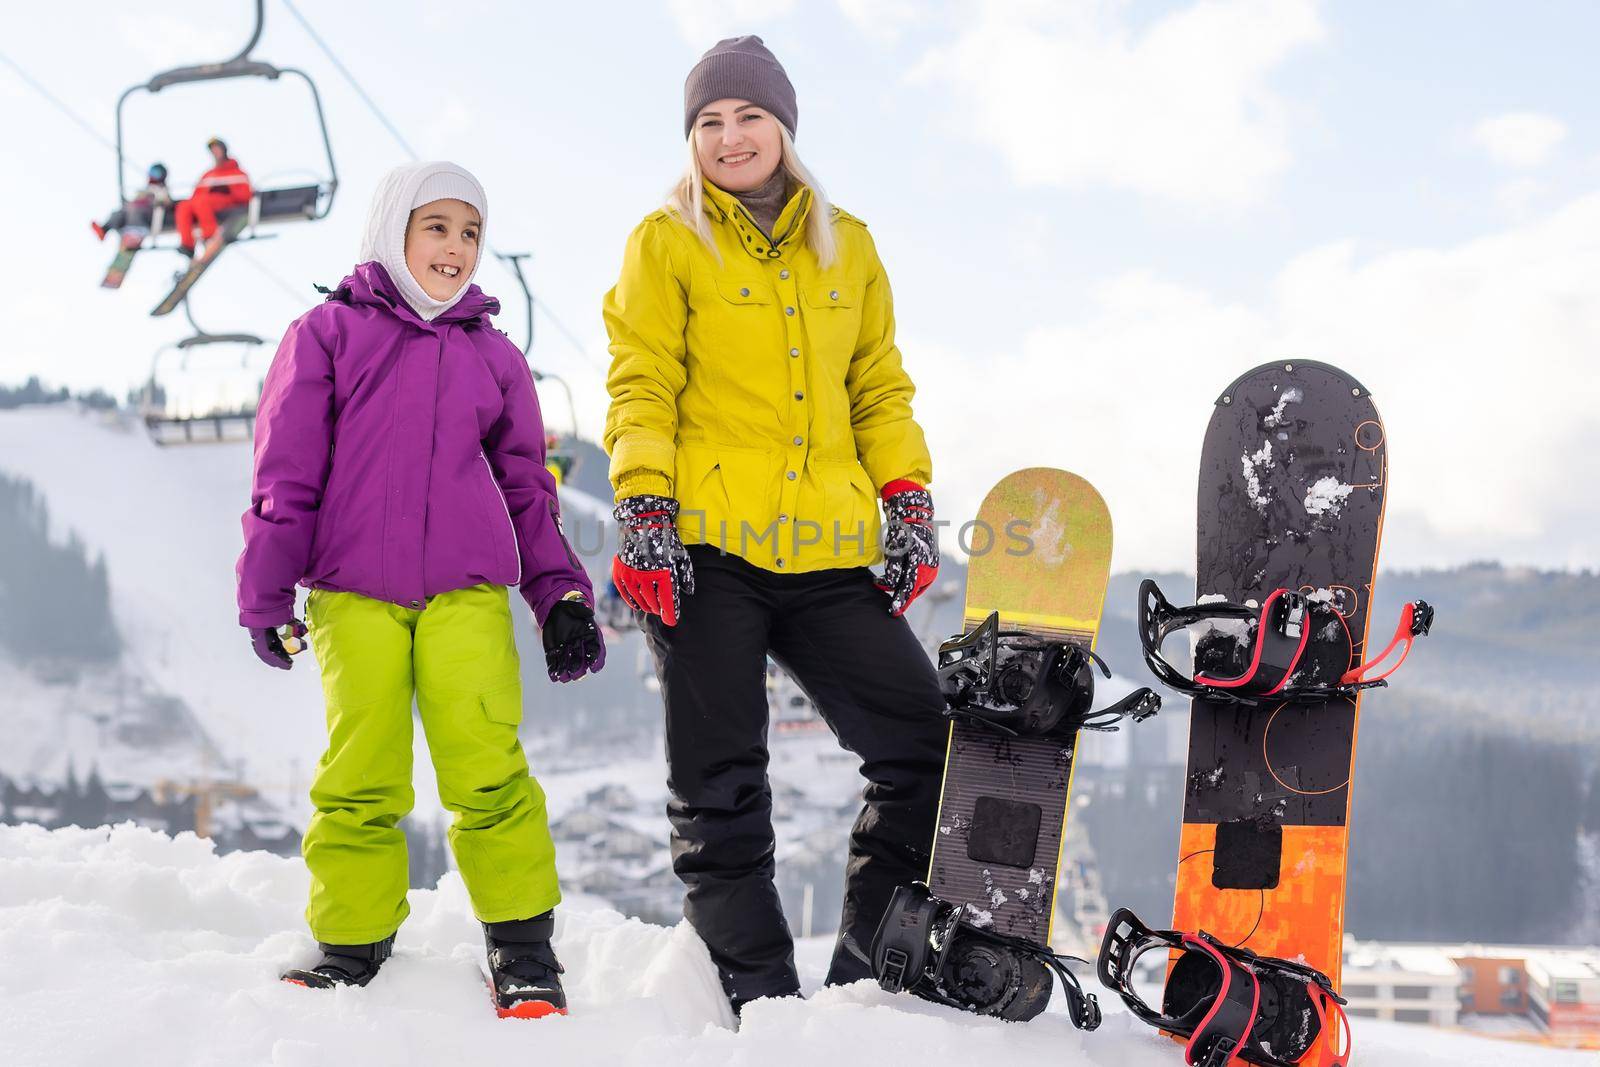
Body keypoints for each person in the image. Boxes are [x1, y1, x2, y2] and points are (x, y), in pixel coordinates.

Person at [602, 35, 946, 1015]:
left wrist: (907, 499)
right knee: (718, 782)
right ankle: (762, 998)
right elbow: (642, 383)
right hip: (707, 547)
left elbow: (878, 386)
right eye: (708, 121)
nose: (728, 135)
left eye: (747, 115)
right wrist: (644, 512)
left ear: (783, 127)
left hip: (829, 550)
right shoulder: (665, 240)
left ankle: (867, 980)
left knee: (923, 745)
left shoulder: (849, 243)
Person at [236, 161, 604, 1018]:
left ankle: (522, 947)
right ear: (391, 227)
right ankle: (351, 939)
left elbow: (527, 490)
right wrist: (265, 593)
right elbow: (284, 475)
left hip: (465, 592)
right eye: (436, 226)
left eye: (470, 232)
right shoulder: (327, 333)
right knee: (361, 770)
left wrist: (561, 596)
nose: (455, 247)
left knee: (488, 766)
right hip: (351, 591)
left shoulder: (496, 357)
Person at [174, 137, 253, 258]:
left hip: (226, 202)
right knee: (184, 205)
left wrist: (228, 190)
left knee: (202, 202)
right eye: (213, 150)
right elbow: (196, 195)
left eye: (218, 149)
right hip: (204, 204)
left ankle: (210, 237)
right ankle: (187, 244)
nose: (215, 153)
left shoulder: (237, 173)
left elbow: (246, 195)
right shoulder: (208, 174)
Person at [91, 163, 172, 240]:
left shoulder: (162, 190)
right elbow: (136, 200)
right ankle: (104, 229)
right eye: (151, 172)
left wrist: (159, 201)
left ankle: (133, 232)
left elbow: (166, 203)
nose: (152, 176)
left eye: (156, 173)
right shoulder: (145, 190)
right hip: (133, 215)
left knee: (134, 210)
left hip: (148, 217)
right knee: (120, 212)